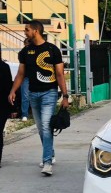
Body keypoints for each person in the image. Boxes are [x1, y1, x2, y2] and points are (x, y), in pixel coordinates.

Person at [8, 20, 69, 176]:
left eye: (27, 29)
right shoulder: (25, 52)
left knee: (46, 126)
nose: (25, 32)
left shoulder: (52, 50)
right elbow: (20, 74)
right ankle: (51, 152)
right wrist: (13, 91)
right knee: (41, 129)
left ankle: (47, 162)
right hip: (33, 94)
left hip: (49, 92)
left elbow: (60, 74)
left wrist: (65, 96)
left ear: (35, 31)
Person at [0, 49, 18, 168]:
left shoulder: (4, 67)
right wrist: (13, 108)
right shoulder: (4, 67)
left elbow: (9, 88)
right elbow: (9, 88)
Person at [20, 37, 31, 121]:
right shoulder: (22, 52)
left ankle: (26, 114)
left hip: (33, 76)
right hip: (26, 76)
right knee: (25, 95)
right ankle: (25, 114)